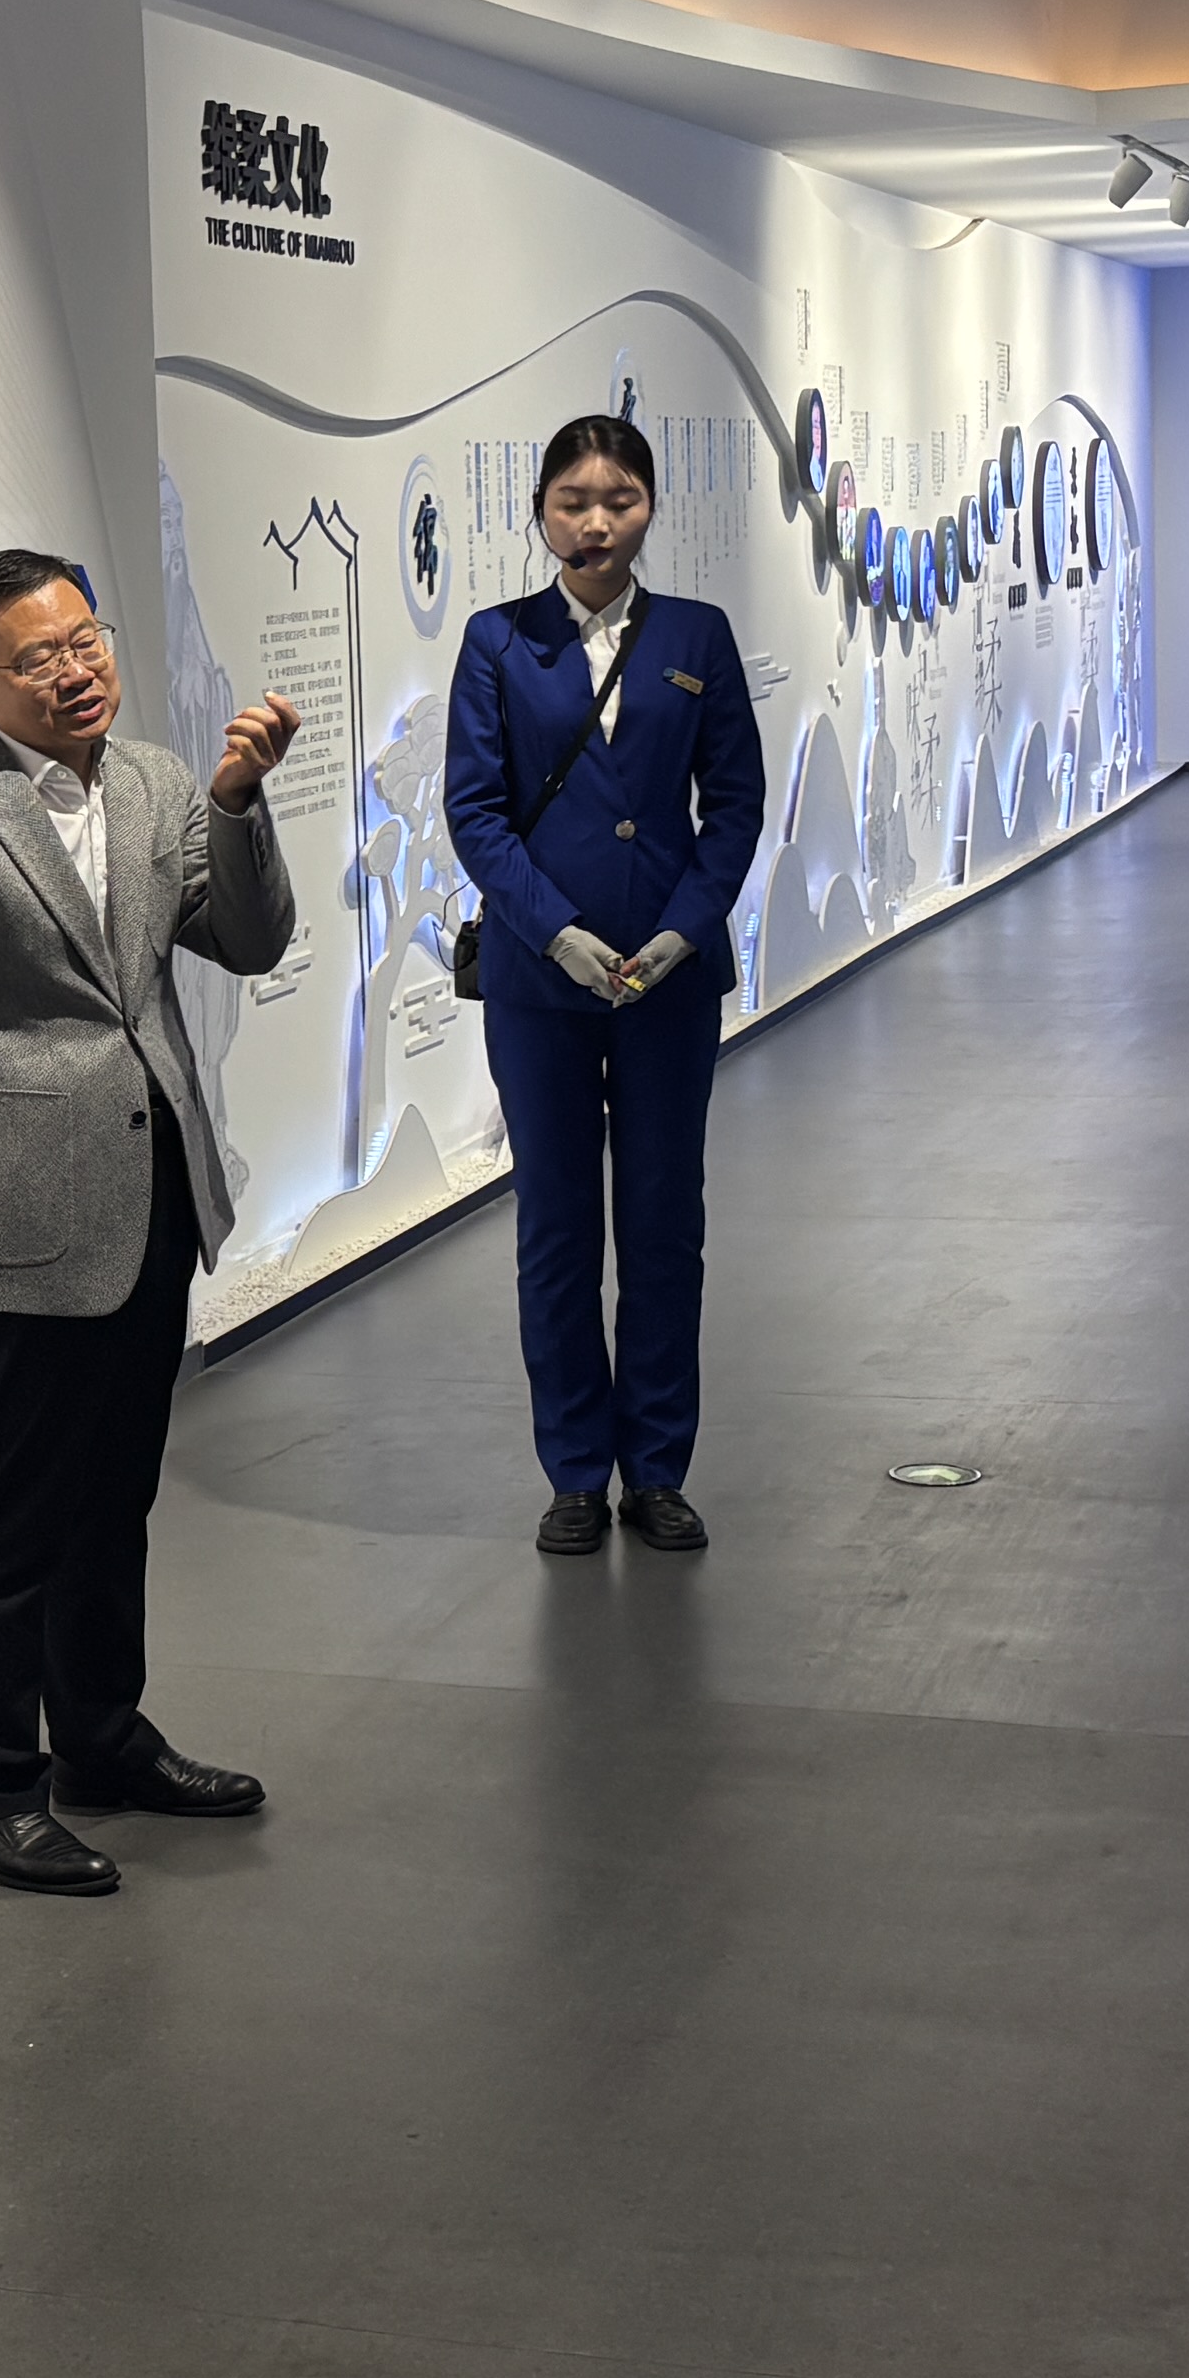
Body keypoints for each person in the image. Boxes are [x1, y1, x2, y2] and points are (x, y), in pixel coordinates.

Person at [0, 548, 298, 1896]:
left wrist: (238, 805)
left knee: (116, 1492)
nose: (75, 672)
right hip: (18, 1211)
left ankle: (101, 1740)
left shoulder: (160, 783)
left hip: (153, 1183)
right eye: (37, 659)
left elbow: (249, 942)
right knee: (8, 1512)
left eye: (87, 642)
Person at [443, 411, 765, 1555]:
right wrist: (554, 932)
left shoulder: (697, 634)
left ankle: (659, 1468)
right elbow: (476, 811)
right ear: (540, 510)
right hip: (542, 986)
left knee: (666, 1222)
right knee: (558, 1227)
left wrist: (685, 929)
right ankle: (576, 1471)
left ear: (649, 508)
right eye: (573, 501)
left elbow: (735, 805)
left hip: (669, 982)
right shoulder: (496, 641)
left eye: (618, 500)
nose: (595, 522)